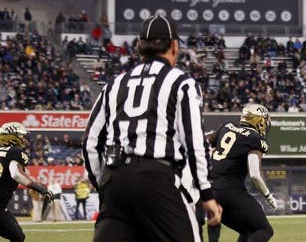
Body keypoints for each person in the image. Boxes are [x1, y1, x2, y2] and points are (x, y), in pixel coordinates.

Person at [83, 15, 222, 242]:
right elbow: (194, 142)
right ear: (174, 46)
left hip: (114, 179)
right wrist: (207, 193)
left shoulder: (114, 84)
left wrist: (104, 185)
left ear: (139, 47)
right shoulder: (181, 82)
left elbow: (90, 142)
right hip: (155, 179)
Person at [206, 103, 279, 242]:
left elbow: (203, 141)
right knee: (263, 230)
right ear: (259, 120)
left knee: (248, 230)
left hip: (210, 192)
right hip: (229, 190)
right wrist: (268, 196)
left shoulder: (226, 126)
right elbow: (254, 175)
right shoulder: (255, 139)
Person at [0, 122, 54, 242]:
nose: (24, 139)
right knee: (18, 237)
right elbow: (16, 174)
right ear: (13, 137)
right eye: (21, 136)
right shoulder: (14, 152)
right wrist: (40, 189)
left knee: (17, 236)